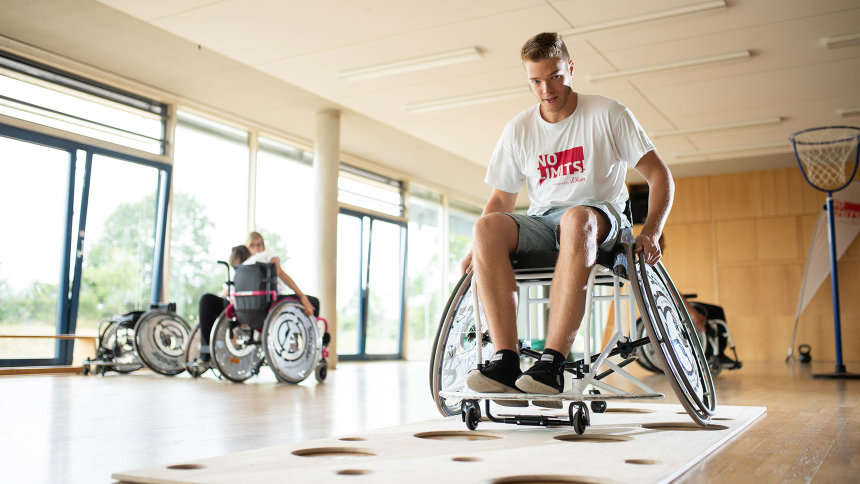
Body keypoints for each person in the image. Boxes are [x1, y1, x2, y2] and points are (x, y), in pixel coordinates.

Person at [462, 32, 674, 406]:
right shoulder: (519, 130)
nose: (547, 89)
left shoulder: (608, 113)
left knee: (577, 219)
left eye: (555, 76)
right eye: (536, 81)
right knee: (486, 227)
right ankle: (506, 359)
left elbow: (660, 175)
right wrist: (476, 248)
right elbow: (500, 198)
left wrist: (653, 229)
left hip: (600, 216)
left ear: (570, 69)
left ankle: (552, 362)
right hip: (543, 221)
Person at [193, 244, 252, 365]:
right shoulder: (233, 273)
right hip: (229, 304)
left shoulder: (251, 272)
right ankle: (206, 352)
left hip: (243, 307)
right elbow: (225, 293)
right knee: (206, 300)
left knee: (227, 303)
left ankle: (218, 351)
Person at [243, 231, 318, 317]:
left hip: (249, 304)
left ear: (263, 246)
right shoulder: (266, 256)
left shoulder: (241, 266)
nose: (256, 249)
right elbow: (280, 273)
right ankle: (312, 329)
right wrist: (302, 296)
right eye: (252, 245)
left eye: (259, 245)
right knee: (314, 302)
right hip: (270, 301)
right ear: (247, 247)